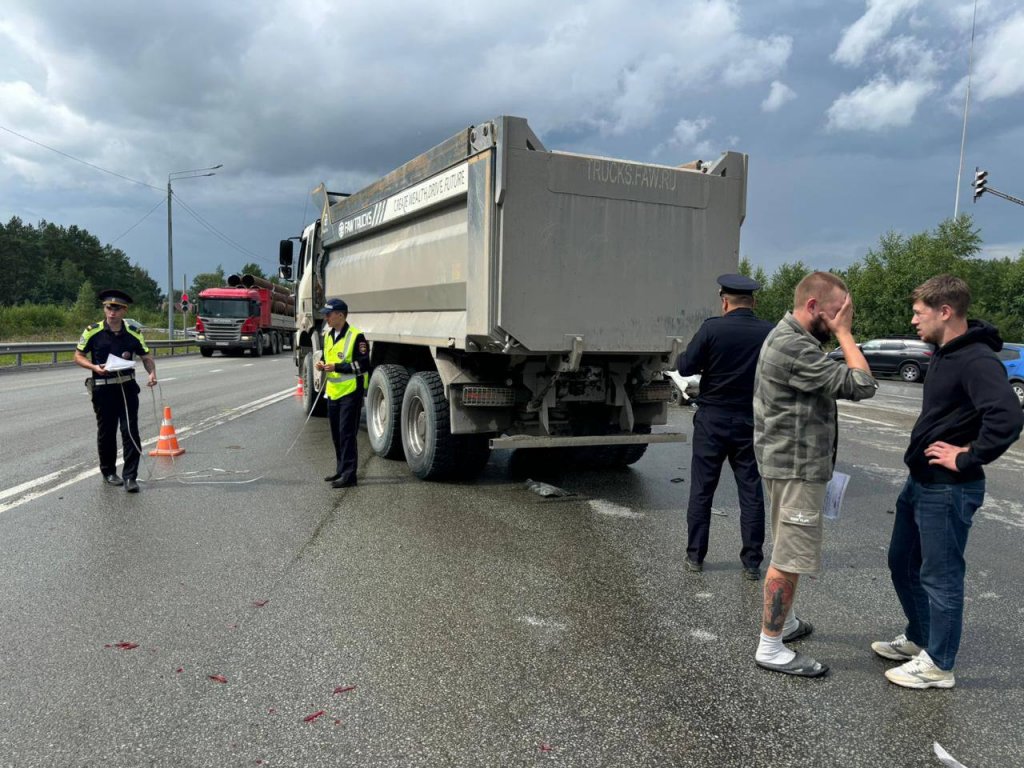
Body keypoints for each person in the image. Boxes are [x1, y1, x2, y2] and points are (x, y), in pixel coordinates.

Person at [872, 275, 1023, 689]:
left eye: (919, 312)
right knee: (901, 562)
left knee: (940, 576)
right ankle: (921, 638)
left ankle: (939, 664)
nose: (913, 319)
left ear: (945, 311)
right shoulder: (945, 353)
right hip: (921, 481)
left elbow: (1007, 417)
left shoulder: (975, 359)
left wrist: (968, 456)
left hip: (949, 489)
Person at [752, 271, 877, 677]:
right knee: (789, 558)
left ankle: (784, 624)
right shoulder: (794, 347)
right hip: (795, 468)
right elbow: (862, 384)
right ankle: (770, 647)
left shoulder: (792, 337)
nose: (842, 316)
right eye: (837, 310)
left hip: (789, 463)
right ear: (812, 307)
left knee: (787, 549)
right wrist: (845, 333)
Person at [677, 273, 774, 579]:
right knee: (751, 491)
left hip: (713, 421)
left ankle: (695, 556)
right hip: (750, 421)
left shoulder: (712, 328)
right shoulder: (769, 332)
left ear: (724, 301)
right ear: (753, 301)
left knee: (703, 490)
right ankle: (752, 562)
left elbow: (685, 366)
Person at [73, 289, 158, 493]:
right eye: (108, 307)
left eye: (117, 308)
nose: (112, 312)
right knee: (107, 432)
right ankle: (109, 472)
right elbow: (78, 356)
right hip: (103, 389)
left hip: (127, 387)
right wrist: (93, 367)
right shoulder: (92, 331)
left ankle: (130, 477)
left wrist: (152, 373)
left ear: (124, 311)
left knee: (130, 431)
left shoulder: (134, 333)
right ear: (104, 309)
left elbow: (146, 357)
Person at [315, 298, 369, 488]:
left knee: (347, 434)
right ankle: (340, 469)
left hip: (350, 392)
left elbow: (362, 364)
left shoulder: (357, 336)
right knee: (336, 434)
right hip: (333, 392)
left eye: (328, 314)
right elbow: (326, 357)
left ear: (340, 314)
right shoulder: (329, 335)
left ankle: (349, 475)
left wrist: (337, 366)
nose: (326, 317)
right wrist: (321, 365)